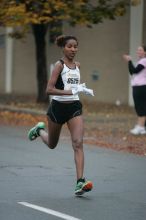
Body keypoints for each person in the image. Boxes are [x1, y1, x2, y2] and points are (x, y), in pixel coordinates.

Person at [28, 35, 94, 195]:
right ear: (63, 48)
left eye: (75, 46)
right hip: (57, 108)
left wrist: (81, 89)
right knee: (52, 144)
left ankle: (80, 182)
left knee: (78, 143)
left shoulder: (78, 65)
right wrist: (69, 91)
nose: (73, 49)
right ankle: (39, 131)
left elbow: (73, 85)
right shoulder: (59, 65)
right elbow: (49, 89)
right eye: (70, 46)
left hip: (74, 108)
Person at [123, 45, 146, 135]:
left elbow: (134, 71)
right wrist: (129, 62)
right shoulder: (141, 61)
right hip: (139, 87)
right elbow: (131, 71)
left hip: (141, 87)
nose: (138, 51)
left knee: (140, 107)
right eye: (138, 50)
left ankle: (140, 127)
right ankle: (142, 127)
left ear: (145, 52)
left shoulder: (144, 61)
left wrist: (129, 60)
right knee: (140, 106)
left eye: (140, 50)